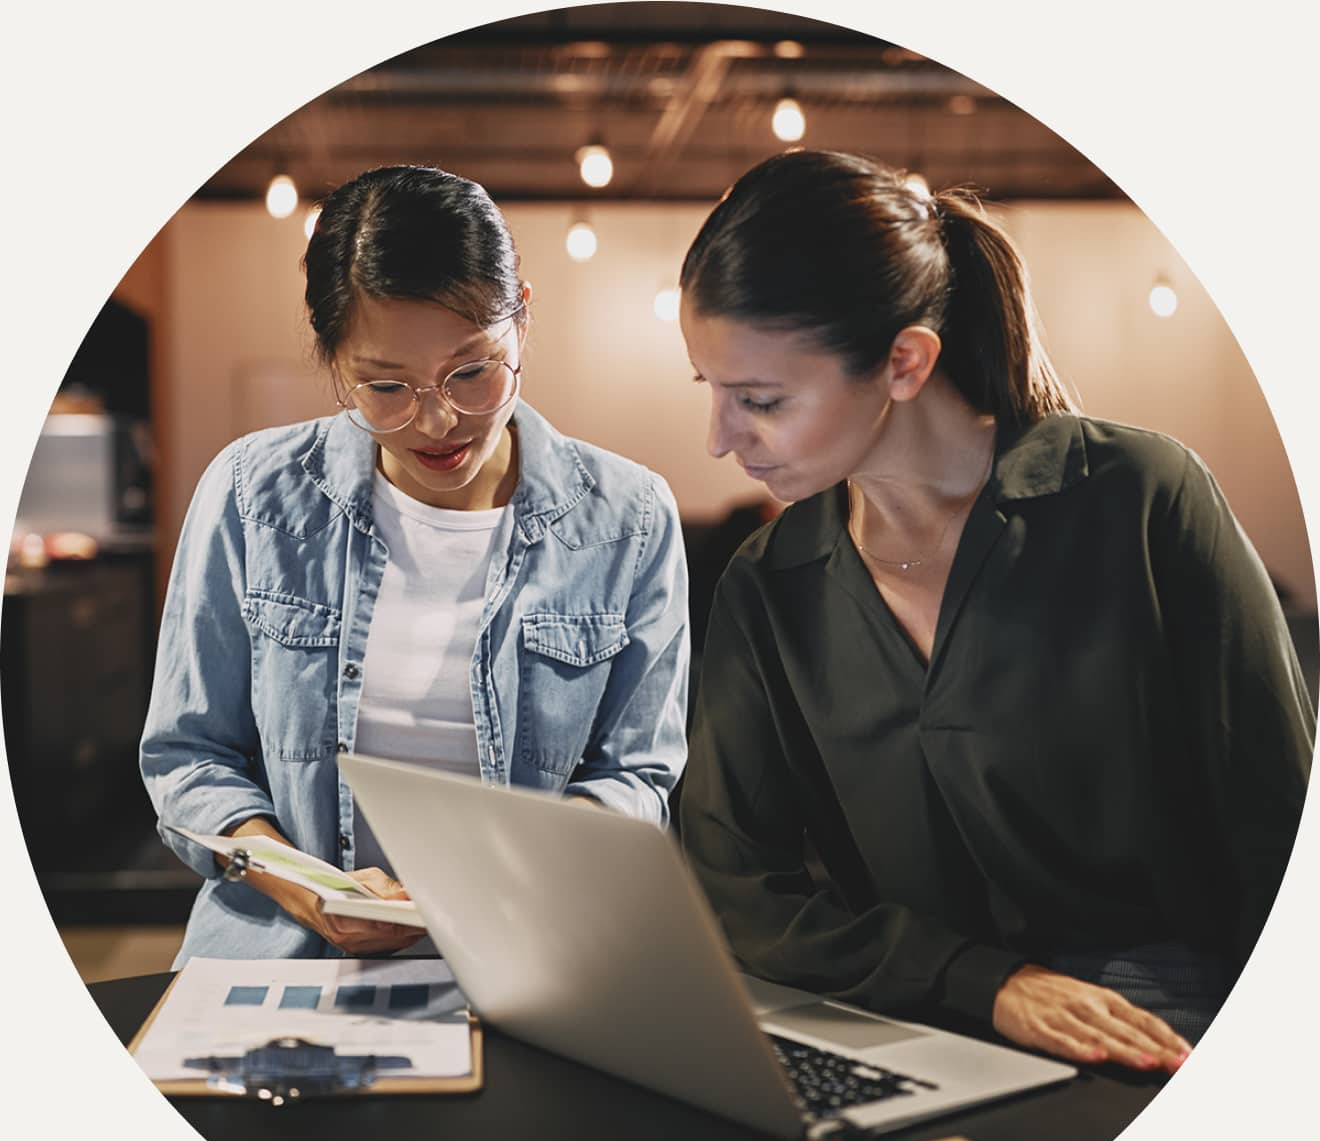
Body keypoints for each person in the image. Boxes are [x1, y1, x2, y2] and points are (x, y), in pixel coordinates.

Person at [676, 149, 1313, 1072]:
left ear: (904, 362)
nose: (720, 439)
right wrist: (985, 985)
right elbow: (736, 889)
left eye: (761, 401)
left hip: (1149, 1006)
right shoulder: (768, 584)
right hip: (902, 1010)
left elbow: (1279, 824)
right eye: (714, 391)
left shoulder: (1141, 499)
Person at [141, 165, 689, 964]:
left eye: (473, 370)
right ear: (334, 362)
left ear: (523, 320)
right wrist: (308, 887)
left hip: (533, 953)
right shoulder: (252, 494)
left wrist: (494, 888)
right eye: (386, 385)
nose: (439, 420)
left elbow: (638, 776)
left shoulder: (628, 517)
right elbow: (189, 757)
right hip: (283, 952)